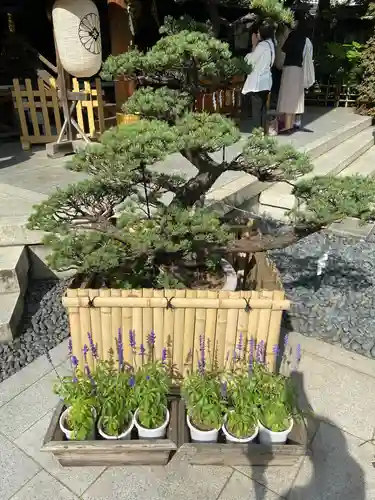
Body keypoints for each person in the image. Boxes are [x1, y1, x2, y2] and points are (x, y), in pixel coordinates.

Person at [277, 13, 315, 132]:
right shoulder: (307, 40)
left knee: (288, 97)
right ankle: (291, 124)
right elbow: (308, 56)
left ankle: (288, 126)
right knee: (295, 98)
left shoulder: (291, 35)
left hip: (288, 69)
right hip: (299, 70)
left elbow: (283, 50)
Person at [241, 20, 276, 132]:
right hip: (266, 81)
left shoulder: (261, 46)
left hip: (258, 83)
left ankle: (257, 134)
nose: (257, 34)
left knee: (256, 111)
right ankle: (263, 133)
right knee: (263, 110)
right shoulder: (271, 44)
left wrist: (254, 45)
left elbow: (249, 61)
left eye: (259, 32)